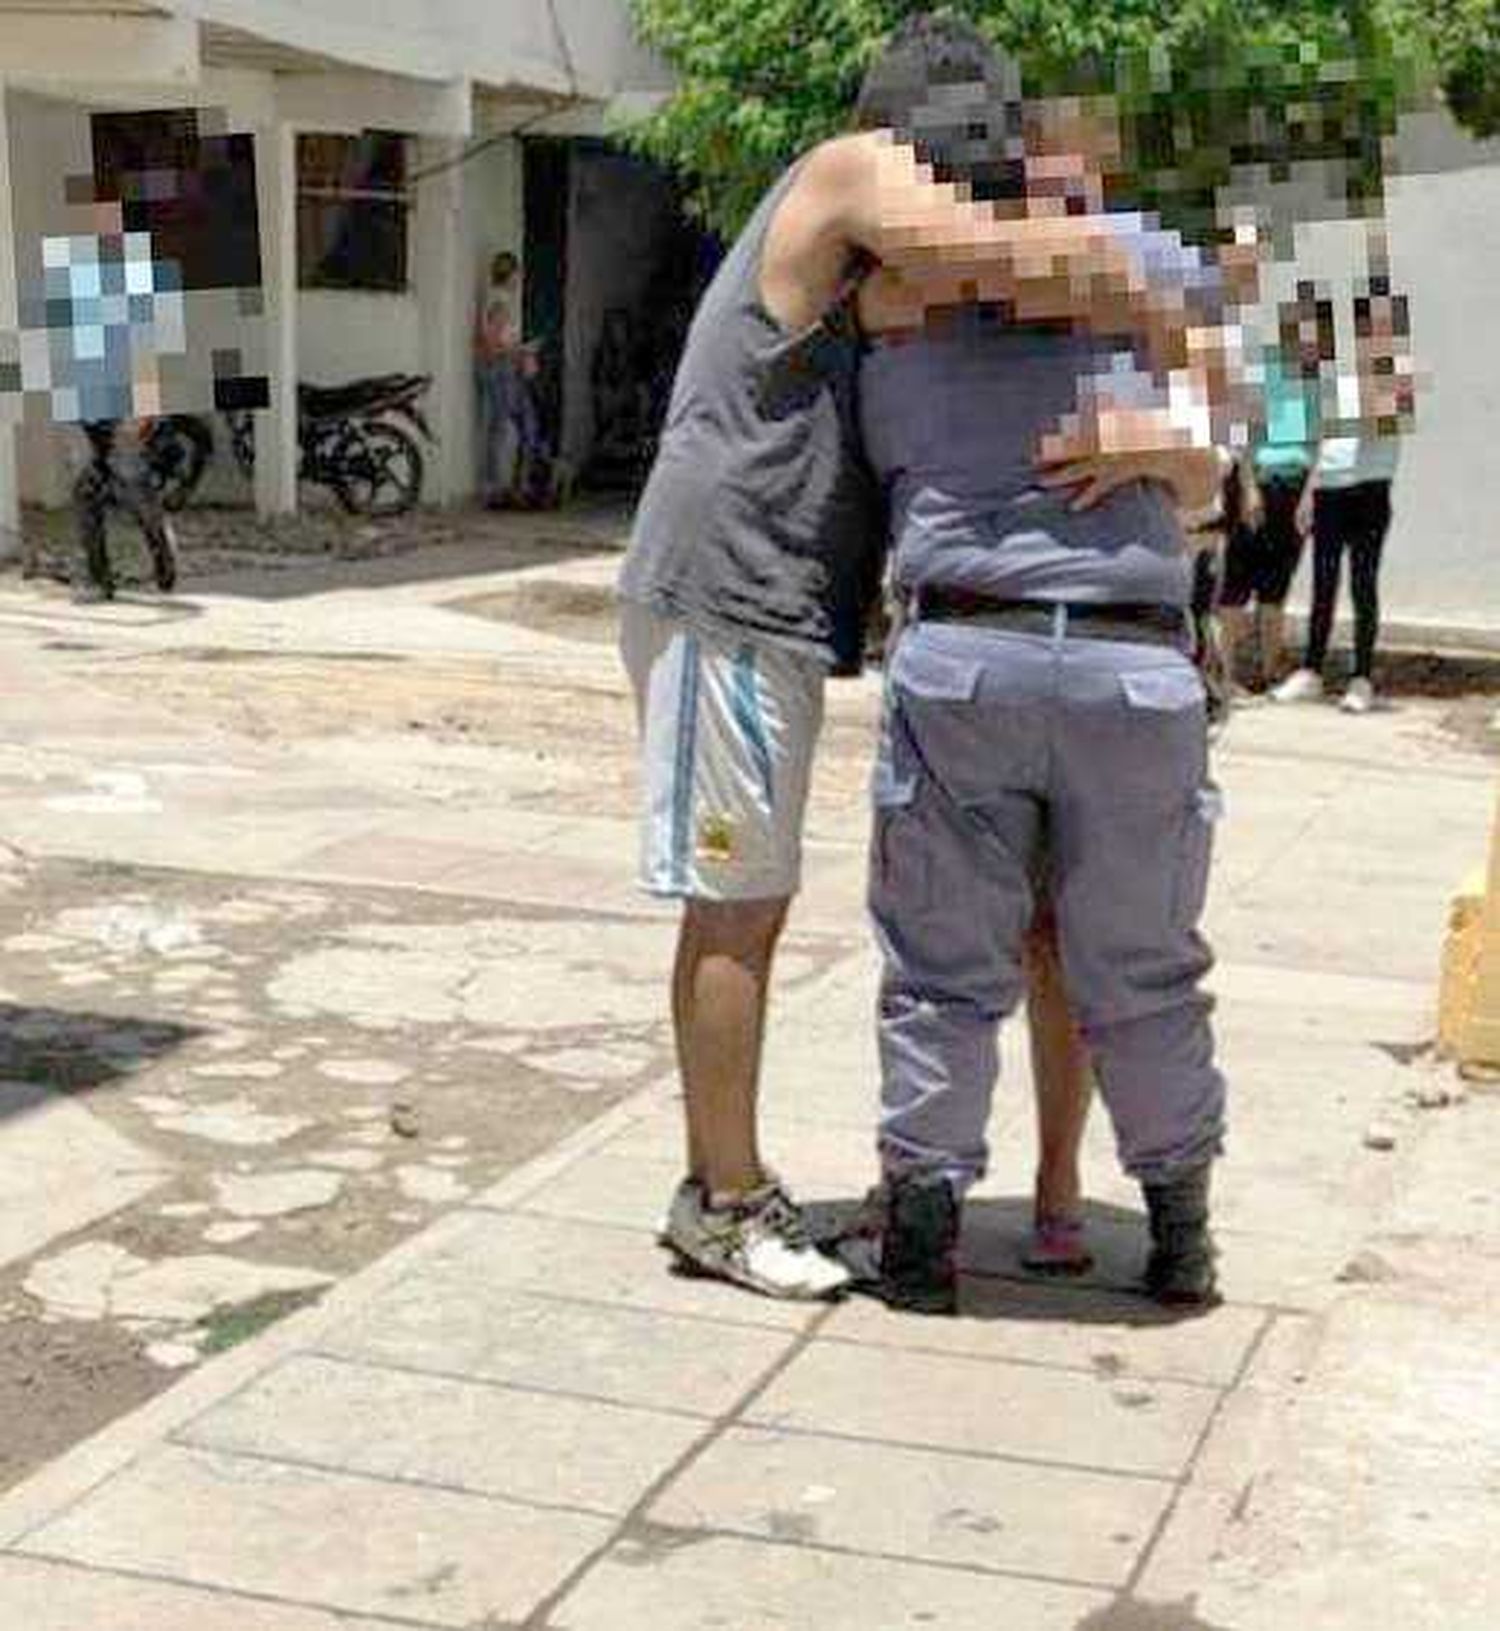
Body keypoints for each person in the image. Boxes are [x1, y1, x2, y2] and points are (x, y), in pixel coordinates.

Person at [620, 12, 1242, 1302]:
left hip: (814, 617)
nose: (964, 190)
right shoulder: (849, 173)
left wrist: (1176, 404)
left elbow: (1174, 428)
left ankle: (835, 1203)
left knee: (844, 928)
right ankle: (721, 1198)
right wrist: (1153, 286)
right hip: (729, 591)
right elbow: (1015, 268)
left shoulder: (900, 290)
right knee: (737, 900)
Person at [849, 69, 1235, 1314]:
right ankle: (1179, 1228)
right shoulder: (1152, 296)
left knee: (940, 969)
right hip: (1133, 669)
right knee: (1144, 963)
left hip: (967, 655)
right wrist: (1173, 448)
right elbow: (1239, 442)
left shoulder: (900, 301)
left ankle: (920, 1233)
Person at [1273, 283, 1411, 714]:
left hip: (1369, 488)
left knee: (1362, 585)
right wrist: (1309, 493)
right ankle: (1311, 670)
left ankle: (1362, 677)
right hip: (1330, 489)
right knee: (1323, 582)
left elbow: (1381, 423)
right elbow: (1327, 440)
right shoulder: (1344, 381)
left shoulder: (1395, 377)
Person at [1218, 287, 1333, 690]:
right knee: (1236, 583)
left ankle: (1268, 672)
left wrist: (1309, 498)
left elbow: (1321, 446)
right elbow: (1246, 440)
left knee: (1276, 584)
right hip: (1260, 483)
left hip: (1296, 486)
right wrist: (1248, 491)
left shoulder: (1319, 384)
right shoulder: (1265, 375)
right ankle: (1224, 673)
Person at [72, 417, 179, 602]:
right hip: (105, 435)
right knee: (86, 496)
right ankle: (99, 577)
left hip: (127, 432)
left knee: (136, 494)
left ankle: (162, 551)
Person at [475, 251, 548, 508]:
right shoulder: (500, 302)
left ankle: (516, 484)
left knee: (522, 425)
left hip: (505, 369)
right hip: (500, 370)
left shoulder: (499, 299)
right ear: (511, 275)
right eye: (517, 273)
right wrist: (524, 351)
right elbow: (492, 344)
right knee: (504, 427)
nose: (520, 279)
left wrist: (522, 353)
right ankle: (498, 487)